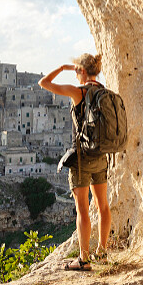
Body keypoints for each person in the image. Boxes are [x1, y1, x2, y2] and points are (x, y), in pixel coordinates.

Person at [39, 53, 111, 271]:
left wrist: (63, 67)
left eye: (77, 70)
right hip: (101, 156)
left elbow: (43, 83)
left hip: (81, 159)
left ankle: (84, 259)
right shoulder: (103, 92)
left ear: (80, 70)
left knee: (82, 209)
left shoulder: (78, 92)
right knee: (103, 205)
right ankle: (103, 252)